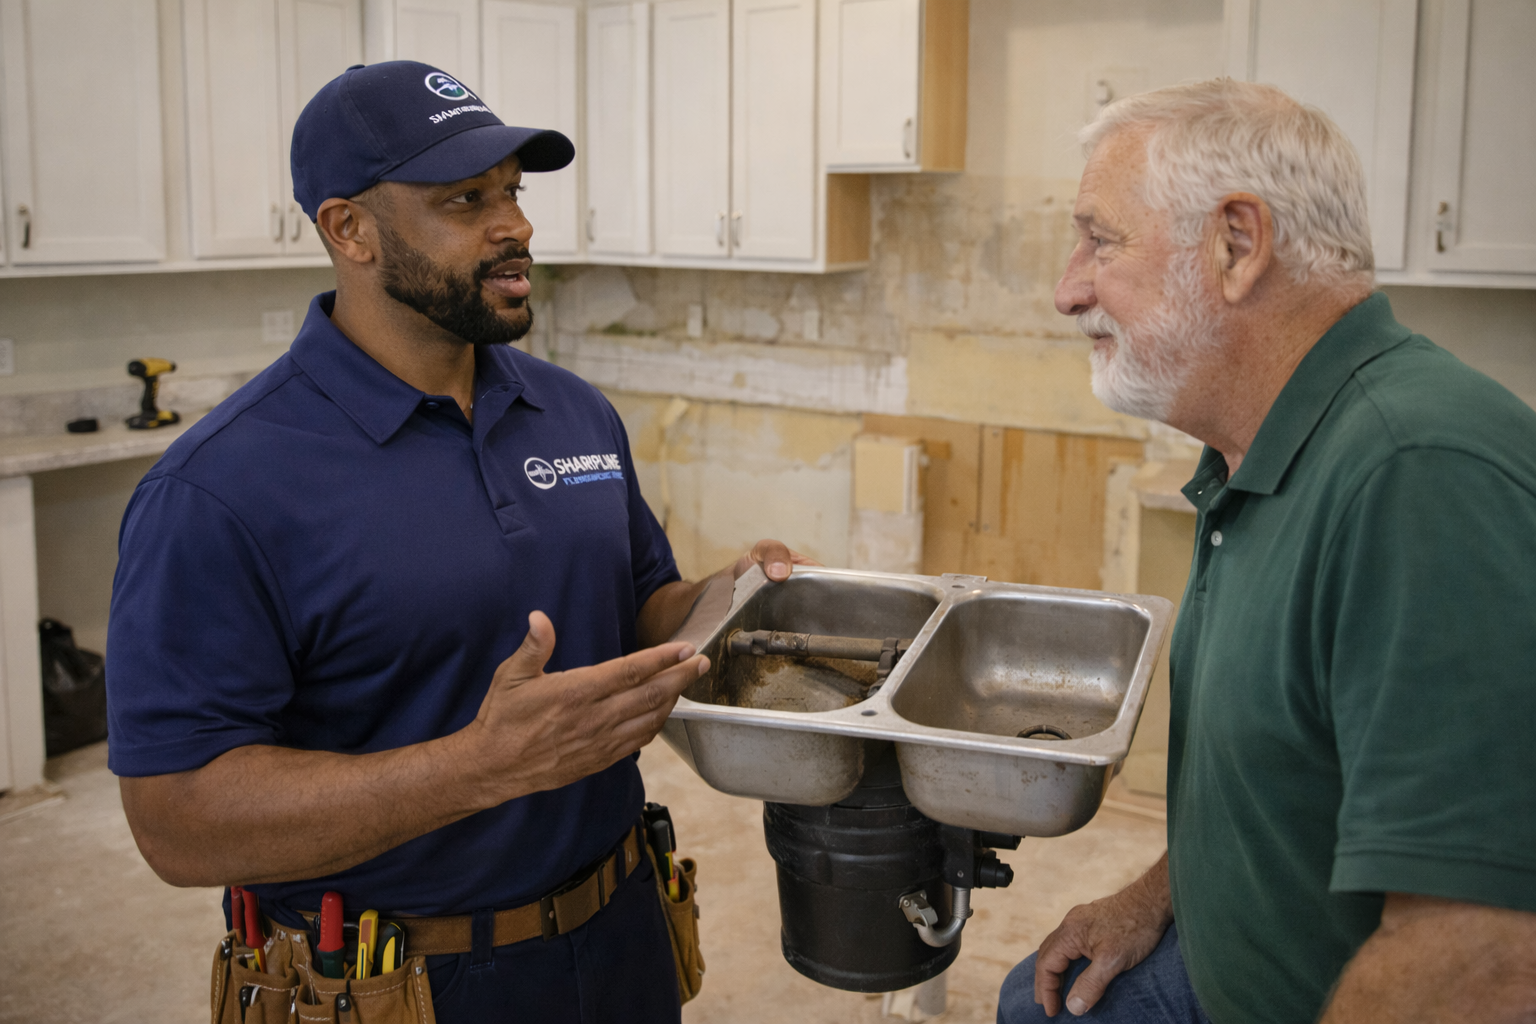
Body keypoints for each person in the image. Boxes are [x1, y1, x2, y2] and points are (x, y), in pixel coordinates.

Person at [107, 61, 810, 1023]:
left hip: (624, 931)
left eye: (514, 192)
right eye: (464, 199)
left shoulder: (571, 412)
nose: (514, 224)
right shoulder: (219, 489)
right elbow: (176, 825)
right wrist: (478, 767)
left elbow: (640, 603)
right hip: (393, 983)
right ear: (348, 228)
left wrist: (726, 599)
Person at [996, 79, 1536, 1024]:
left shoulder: (1417, 478)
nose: (1067, 287)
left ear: (1237, 245)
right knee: (1028, 1001)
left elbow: (1485, 956)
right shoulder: (1259, 451)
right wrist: (1156, 900)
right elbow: (1289, 782)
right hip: (1216, 966)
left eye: (1102, 239)